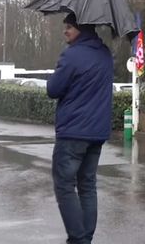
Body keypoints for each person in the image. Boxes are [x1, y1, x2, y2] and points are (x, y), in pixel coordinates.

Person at [47, 13, 114, 244]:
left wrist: (58, 68)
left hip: (73, 133)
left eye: (70, 27)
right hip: (97, 133)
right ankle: (85, 237)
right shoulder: (105, 54)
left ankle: (79, 240)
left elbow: (53, 89)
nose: (65, 31)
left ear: (82, 29)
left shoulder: (72, 55)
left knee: (65, 185)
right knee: (87, 185)